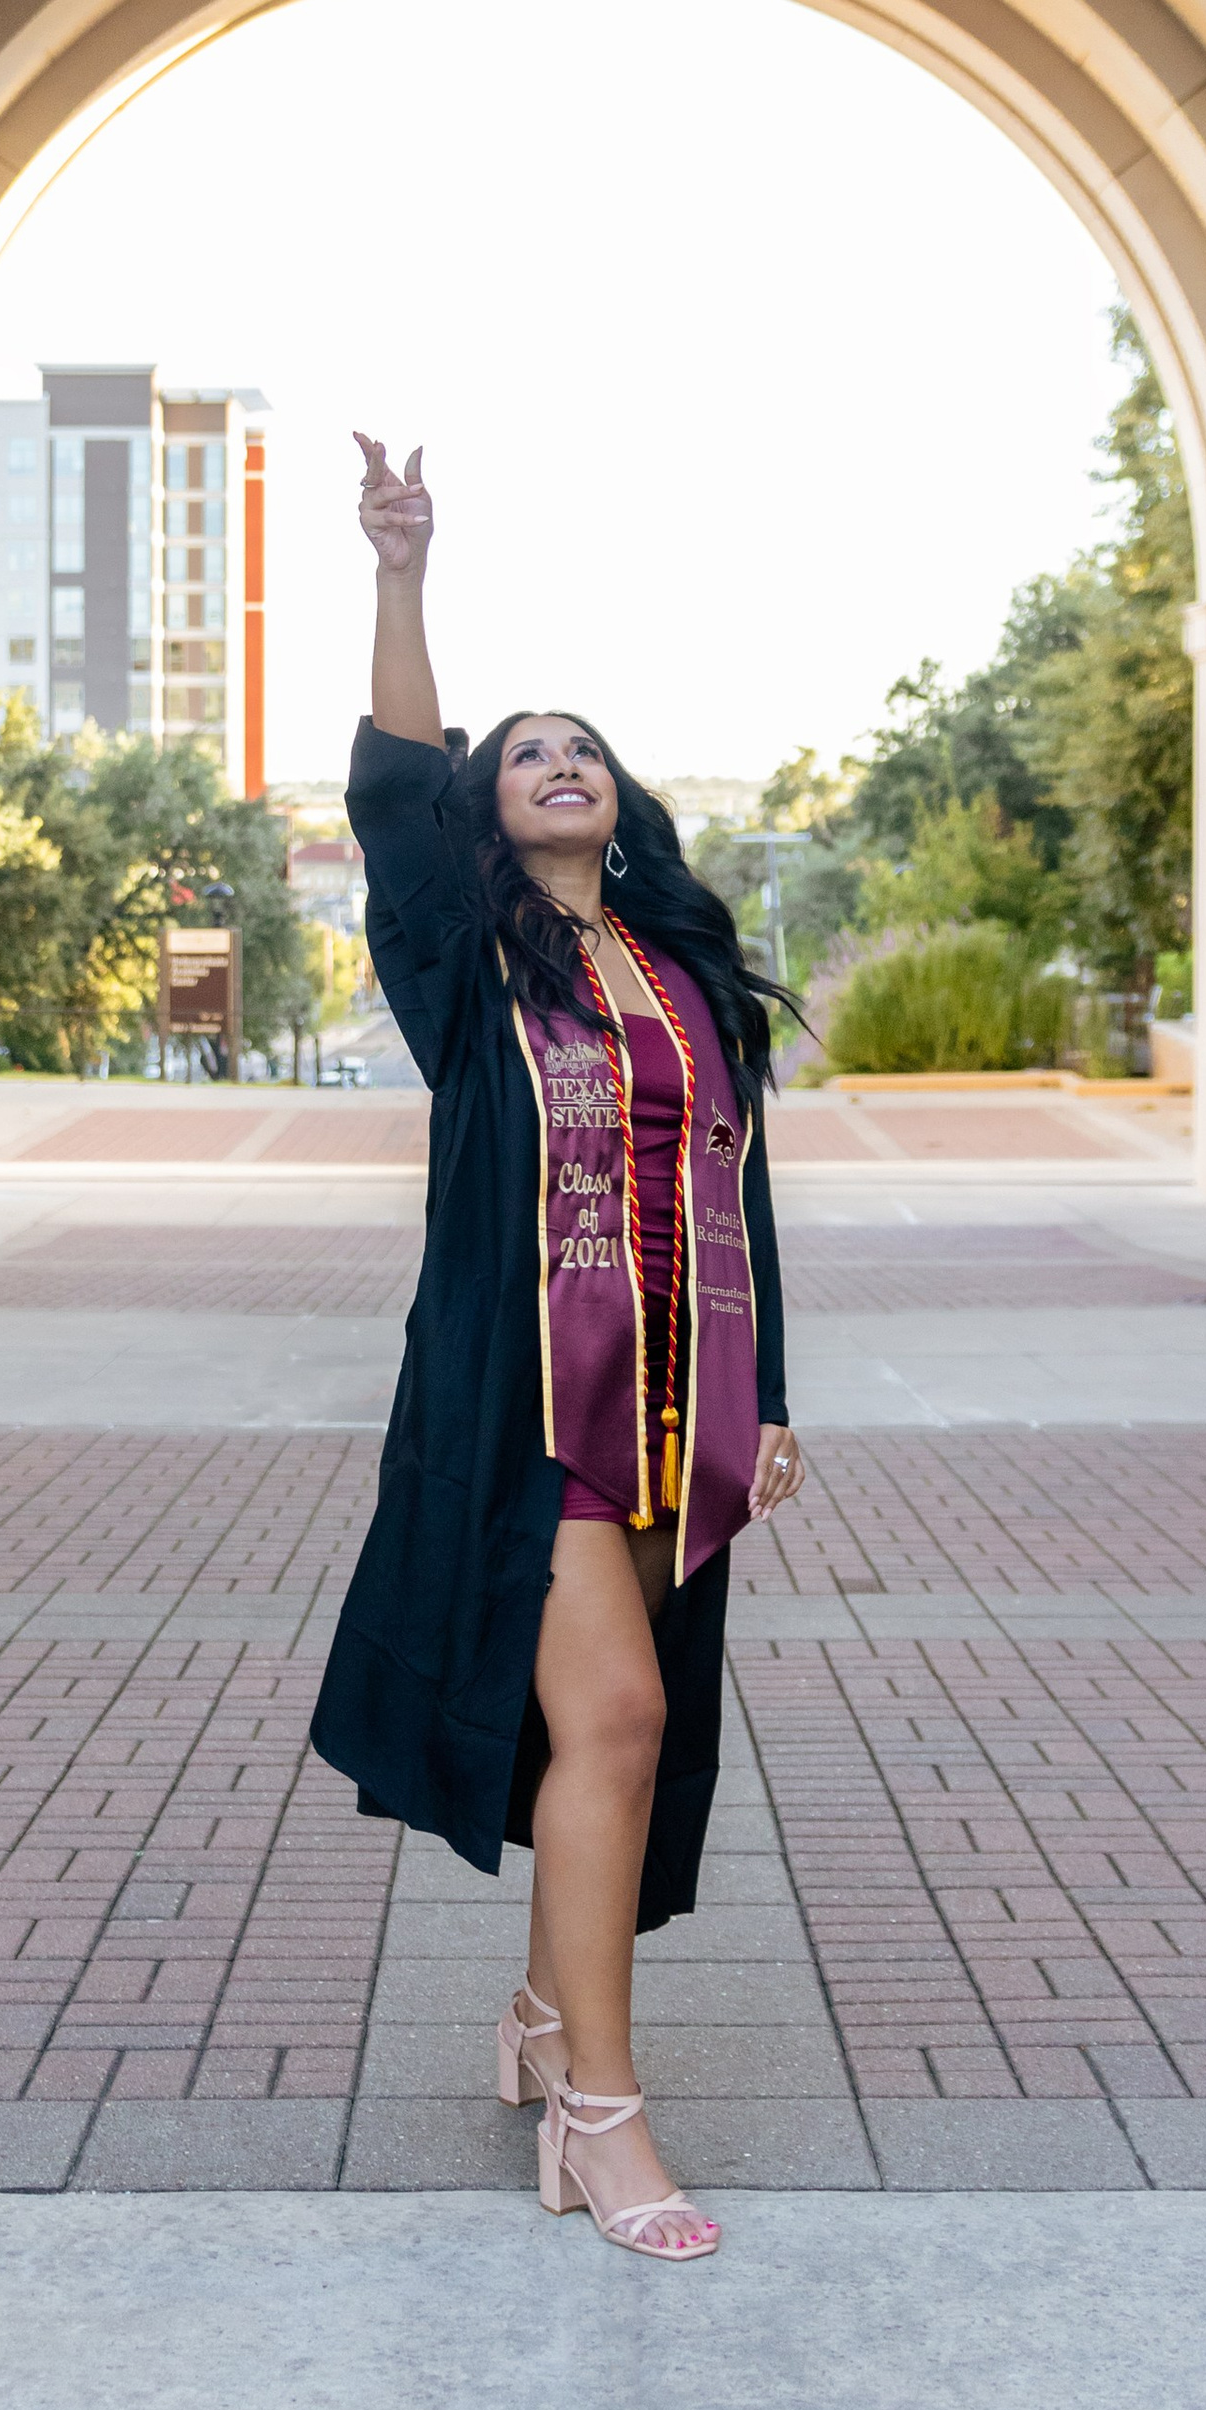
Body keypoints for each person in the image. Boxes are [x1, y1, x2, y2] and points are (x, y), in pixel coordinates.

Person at [309, 434, 806, 2262]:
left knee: (592, 1738)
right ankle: (603, 2112)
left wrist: (775, 1408)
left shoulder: (678, 965)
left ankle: (537, 2011)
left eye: (580, 746)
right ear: (495, 808)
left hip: (683, 1409)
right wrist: (400, 577)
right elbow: (387, 791)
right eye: (527, 754)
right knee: (617, 1716)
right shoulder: (468, 959)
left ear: (622, 795)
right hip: (530, 1403)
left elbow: (736, 1195)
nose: (559, 763)